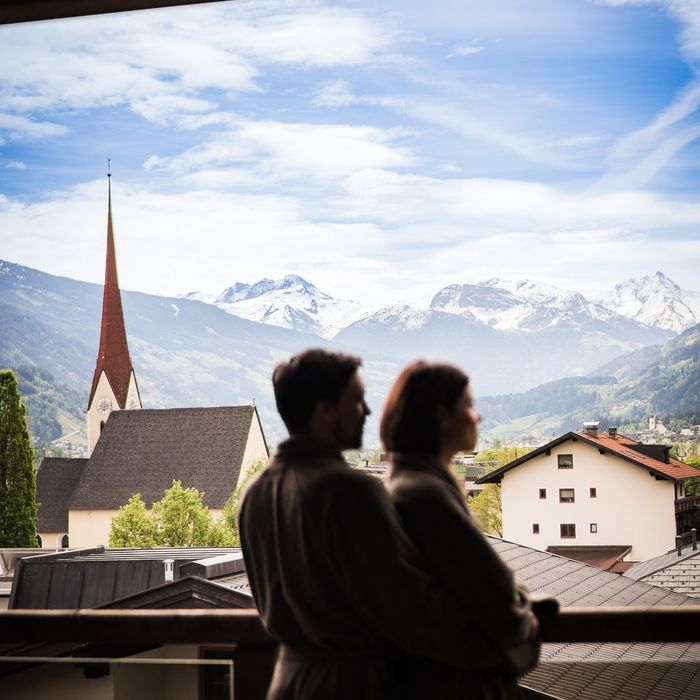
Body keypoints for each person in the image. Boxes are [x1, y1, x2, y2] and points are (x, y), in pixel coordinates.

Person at [239, 349, 504, 700]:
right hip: (356, 685)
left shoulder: (255, 493)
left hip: (288, 680)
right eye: (357, 400)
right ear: (325, 411)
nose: (367, 411)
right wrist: (496, 648)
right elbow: (411, 610)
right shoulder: (351, 492)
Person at [380, 360, 540, 699]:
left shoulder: (397, 485)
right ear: (442, 417)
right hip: (457, 684)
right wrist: (523, 614)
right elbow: (496, 596)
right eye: (468, 405)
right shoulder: (426, 494)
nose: (477, 416)